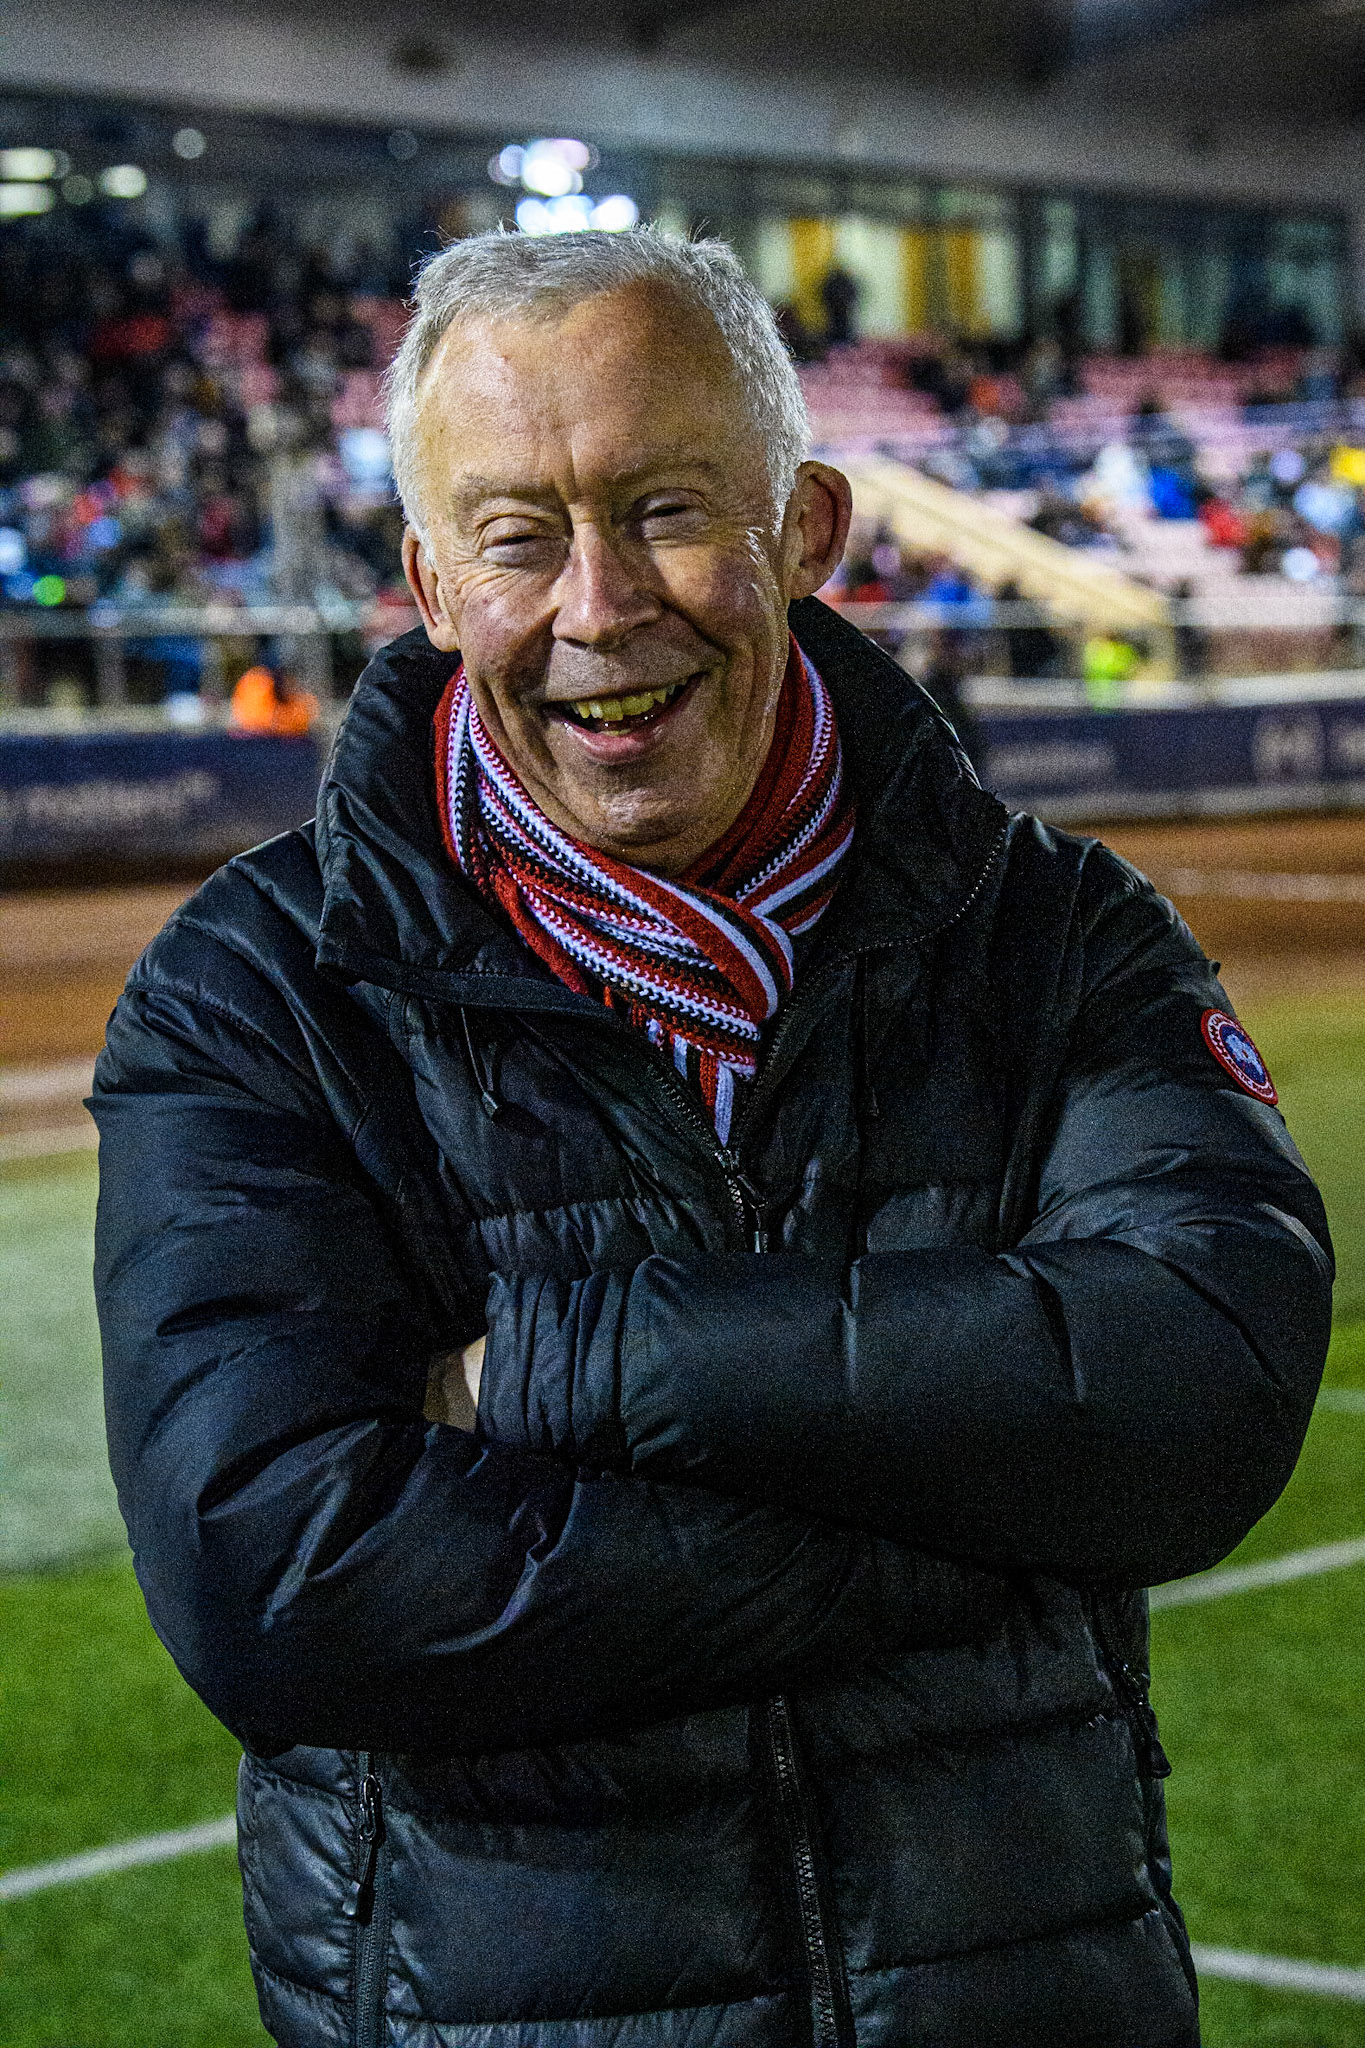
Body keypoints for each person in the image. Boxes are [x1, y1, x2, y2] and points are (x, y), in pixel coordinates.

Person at [93, 230, 1332, 2048]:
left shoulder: (1055, 934)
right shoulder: (252, 993)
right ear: (430, 584)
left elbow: (1198, 1387)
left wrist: (553, 1366)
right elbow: (276, 1579)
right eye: (516, 536)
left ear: (806, 529)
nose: (598, 604)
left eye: (668, 508)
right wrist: (982, 1531)